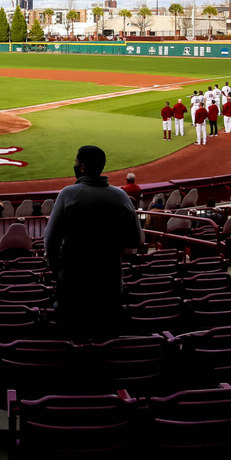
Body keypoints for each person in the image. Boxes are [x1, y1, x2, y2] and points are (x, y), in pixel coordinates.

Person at [43, 145, 142, 339]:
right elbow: (135, 239)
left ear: (82, 168)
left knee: (72, 334)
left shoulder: (68, 194)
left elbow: (50, 241)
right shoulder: (120, 196)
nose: (75, 164)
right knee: (106, 336)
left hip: (73, 282)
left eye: (76, 162)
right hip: (110, 282)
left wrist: (59, 270)